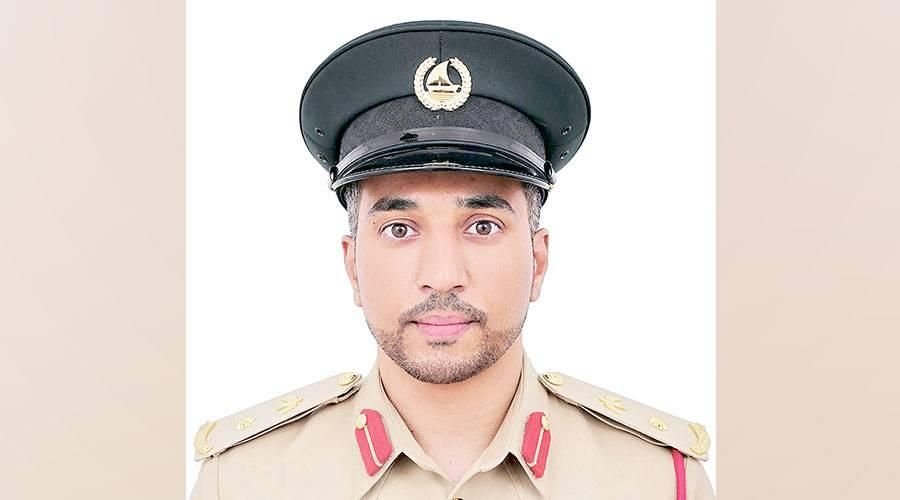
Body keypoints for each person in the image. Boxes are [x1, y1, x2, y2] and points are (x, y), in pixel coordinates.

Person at [190, 20, 714, 499]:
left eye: (482, 226)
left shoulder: (659, 480)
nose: (442, 276)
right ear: (352, 266)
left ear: (538, 259)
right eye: (399, 229)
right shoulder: (241, 481)